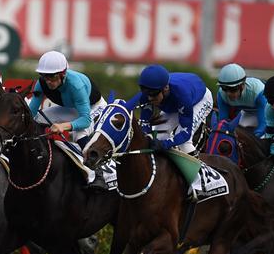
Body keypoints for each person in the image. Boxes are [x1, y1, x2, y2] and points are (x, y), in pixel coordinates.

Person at [28, 51, 109, 190]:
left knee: (79, 133)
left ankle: (99, 174)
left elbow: (85, 120)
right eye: (44, 76)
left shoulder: (76, 85)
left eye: (52, 77)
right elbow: (31, 113)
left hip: (93, 108)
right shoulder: (41, 84)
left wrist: (63, 126)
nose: (48, 81)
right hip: (73, 108)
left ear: (62, 74)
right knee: (38, 119)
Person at [125, 64, 214, 155]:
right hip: (176, 102)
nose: (150, 98)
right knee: (159, 134)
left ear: (165, 89)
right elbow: (145, 124)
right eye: (146, 93)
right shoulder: (147, 94)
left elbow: (185, 133)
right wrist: (147, 138)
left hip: (200, 99)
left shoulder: (182, 95)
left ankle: (199, 169)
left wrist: (165, 144)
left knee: (184, 144)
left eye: (153, 94)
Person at [215, 63, 267, 136]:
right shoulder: (221, 94)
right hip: (248, 113)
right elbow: (223, 123)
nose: (228, 93)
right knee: (239, 134)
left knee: (261, 138)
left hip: (267, 114)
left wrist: (254, 138)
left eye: (232, 89)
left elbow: (264, 124)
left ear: (242, 85)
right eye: (224, 88)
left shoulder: (259, 92)